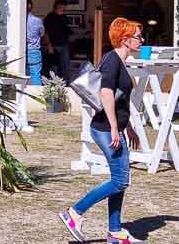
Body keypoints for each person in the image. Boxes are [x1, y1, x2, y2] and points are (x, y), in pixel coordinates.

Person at [60, 18, 144, 244]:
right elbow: (106, 94)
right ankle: (74, 213)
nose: (142, 40)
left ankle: (115, 232)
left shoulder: (120, 61)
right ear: (125, 39)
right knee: (120, 180)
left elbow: (120, 100)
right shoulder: (112, 60)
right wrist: (116, 128)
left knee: (119, 180)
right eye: (138, 36)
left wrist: (130, 128)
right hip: (106, 129)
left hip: (114, 128)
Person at [44, 0, 72, 83]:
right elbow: (46, 33)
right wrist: (49, 45)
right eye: (62, 6)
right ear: (57, 6)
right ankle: (53, 84)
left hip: (64, 45)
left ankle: (66, 84)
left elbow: (67, 30)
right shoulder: (49, 17)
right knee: (54, 66)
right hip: (53, 46)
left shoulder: (65, 17)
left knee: (65, 66)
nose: (64, 8)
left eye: (64, 7)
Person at [26, 0, 45, 85]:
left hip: (20, 50)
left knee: (20, 75)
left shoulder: (17, 21)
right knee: (35, 74)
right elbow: (42, 33)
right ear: (32, 8)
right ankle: (36, 96)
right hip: (34, 50)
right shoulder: (37, 20)